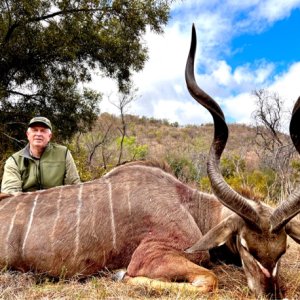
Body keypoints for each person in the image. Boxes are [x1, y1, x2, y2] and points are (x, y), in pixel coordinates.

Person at [1, 116, 80, 194]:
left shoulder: (63, 153)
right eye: (35, 130)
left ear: (49, 136)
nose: (38, 134)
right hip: (26, 203)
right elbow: (10, 192)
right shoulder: (14, 160)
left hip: (57, 202)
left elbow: (74, 186)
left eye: (43, 131)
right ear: (27, 134)